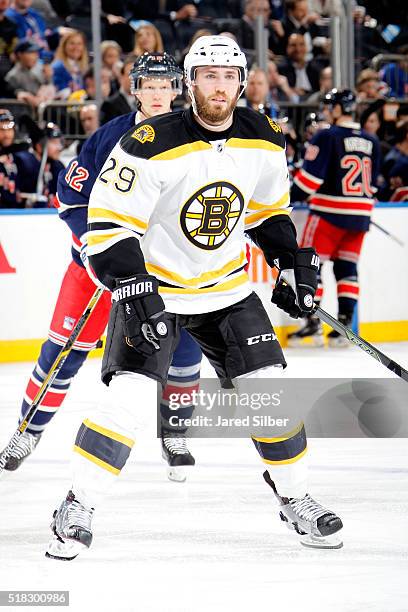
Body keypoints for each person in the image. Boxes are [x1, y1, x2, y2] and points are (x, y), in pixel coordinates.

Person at [45, 35, 343, 562]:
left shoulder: (265, 136)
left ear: (243, 82)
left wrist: (289, 262)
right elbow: (108, 226)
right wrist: (134, 287)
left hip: (226, 290)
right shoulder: (148, 141)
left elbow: (267, 213)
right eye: (208, 75)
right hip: (157, 293)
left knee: (269, 397)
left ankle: (294, 497)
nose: (219, 86)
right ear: (190, 82)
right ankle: (78, 503)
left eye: (229, 77)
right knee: (128, 402)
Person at [1, 53, 200, 484]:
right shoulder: (109, 136)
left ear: (177, 89)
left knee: (184, 350)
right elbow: (71, 201)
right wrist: (97, 252)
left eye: (165, 85)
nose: (157, 93)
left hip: (165, 273)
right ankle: (27, 430)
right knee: (61, 353)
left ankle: (176, 434)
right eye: (149, 85)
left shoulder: (196, 138)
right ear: (136, 89)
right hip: (100, 270)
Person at [288, 89, 380, 347]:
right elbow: (372, 186)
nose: (328, 110)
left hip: (329, 214)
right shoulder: (372, 141)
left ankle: (312, 322)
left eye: (330, 106)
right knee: (347, 268)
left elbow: (309, 181)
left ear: (340, 108)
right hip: (360, 217)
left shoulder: (327, 136)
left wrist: (286, 198)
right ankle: (344, 327)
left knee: (310, 265)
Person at [14, 121, 64, 207]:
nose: (59, 147)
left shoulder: (58, 166)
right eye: (54, 143)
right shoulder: (23, 162)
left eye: (59, 142)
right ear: (39, 146)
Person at [100, 54, 138, 124]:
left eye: (137, 75)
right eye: (130, 75)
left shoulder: (148, 102)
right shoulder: (109, 105)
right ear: (121, 77)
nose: (134, 79)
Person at [51, 29, 88, 98]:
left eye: (79, 44)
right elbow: (60, 91)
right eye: (72, 43)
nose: (76, 47)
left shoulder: (85, 68)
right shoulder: (57, 67)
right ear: (64, 46)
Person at [0, 109, 19, 208]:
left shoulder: (19, 155)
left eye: (9, 129)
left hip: (14, 212)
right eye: (2, 129)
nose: (7, 134)